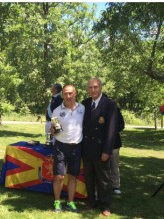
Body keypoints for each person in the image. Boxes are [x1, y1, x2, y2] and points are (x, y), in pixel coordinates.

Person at [82, 78, 117, 217]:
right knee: (89, 178)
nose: (93, 90)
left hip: (101, 149)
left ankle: (105, 205)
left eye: (95, 87)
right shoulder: (85, 104)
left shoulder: (109, 104)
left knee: (103, 180)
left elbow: (111, 130)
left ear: (100, 87)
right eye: (90, 87)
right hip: (87, 149)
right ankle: (91, 202)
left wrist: (107, 151)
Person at [50, 84, 85, 213]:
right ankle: (57, 202)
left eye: (70, 93)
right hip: (61, 146)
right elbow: (55, 131)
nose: (68, 96)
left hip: (77, 147)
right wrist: (52, 130)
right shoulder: (57, 111)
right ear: (63, 95)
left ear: (75, 94)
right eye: (65, 93)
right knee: (59, 176)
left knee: (72, 177)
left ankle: (70, 202)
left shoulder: (83, 108)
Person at [110, 103, 124, 195]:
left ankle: (116, 185)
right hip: (100, 144)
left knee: (114, 165)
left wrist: (111, 130)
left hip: (114, 143)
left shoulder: (115, 110)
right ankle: (104, 185)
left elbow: (121, 125)